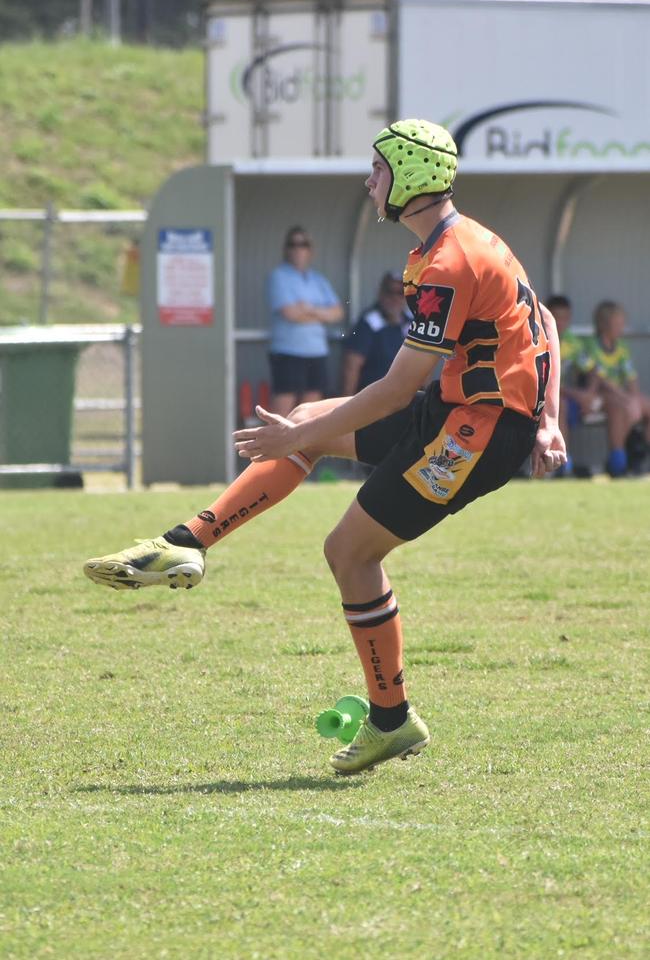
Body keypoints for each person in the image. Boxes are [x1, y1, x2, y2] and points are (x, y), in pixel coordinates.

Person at [84, 119, 566, 776]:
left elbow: (398, 388)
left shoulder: (449, 261)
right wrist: (551, 417)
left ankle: (392, 721)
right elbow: (541, 326)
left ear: (410, 177)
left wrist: (295, 437)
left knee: (349, 550)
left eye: (378, 170)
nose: (370, 183)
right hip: (462, 413)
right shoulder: (466, 239)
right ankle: (186, 544)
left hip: (475, 433)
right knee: (311, 417)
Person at [266, 225, 344, 416]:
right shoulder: (278, 276)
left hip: (316, 352)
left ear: (311, 250)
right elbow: (291, 314)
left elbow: (338, 312)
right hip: (288, 352)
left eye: (303, 244)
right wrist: (321, 314)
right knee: (283, 413)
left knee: (310, 413)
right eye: (293, 244)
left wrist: (308, 309)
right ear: (286, 249)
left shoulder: (318, 279)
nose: (298, 249)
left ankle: (303, 448)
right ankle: (278, 447)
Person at [584, 300, 650, 476]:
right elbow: (601, 379)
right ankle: (617, 462)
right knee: (619, 408)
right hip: (600, 397)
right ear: (604, 324)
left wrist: (634, 400)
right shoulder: (591, 346)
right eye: (618, 323)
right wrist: (628, 400)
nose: (622, 327)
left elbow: (631, 378)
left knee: (645, 405)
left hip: (621, 396)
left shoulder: (622, 348)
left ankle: (641, 454)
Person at [545, 294, 600, 476]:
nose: (560, 322)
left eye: (565, 317)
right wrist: (578, 395)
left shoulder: (573, 343)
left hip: (568, 398)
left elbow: (593, 370)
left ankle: (621, 462)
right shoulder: (537, 338)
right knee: (560, 405)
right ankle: (560, 462)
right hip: (542, 400)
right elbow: (541, 381)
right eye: (556, 316)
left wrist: (590, 394)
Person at [340, 270, 413, 396]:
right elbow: (352, 366)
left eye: (400, 293)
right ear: (380, 293)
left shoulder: (410, 322)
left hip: (403, 399)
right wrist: (346, 402)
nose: (395, 298)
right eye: (390, 292)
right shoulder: (368, 322)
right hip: (373, 398)